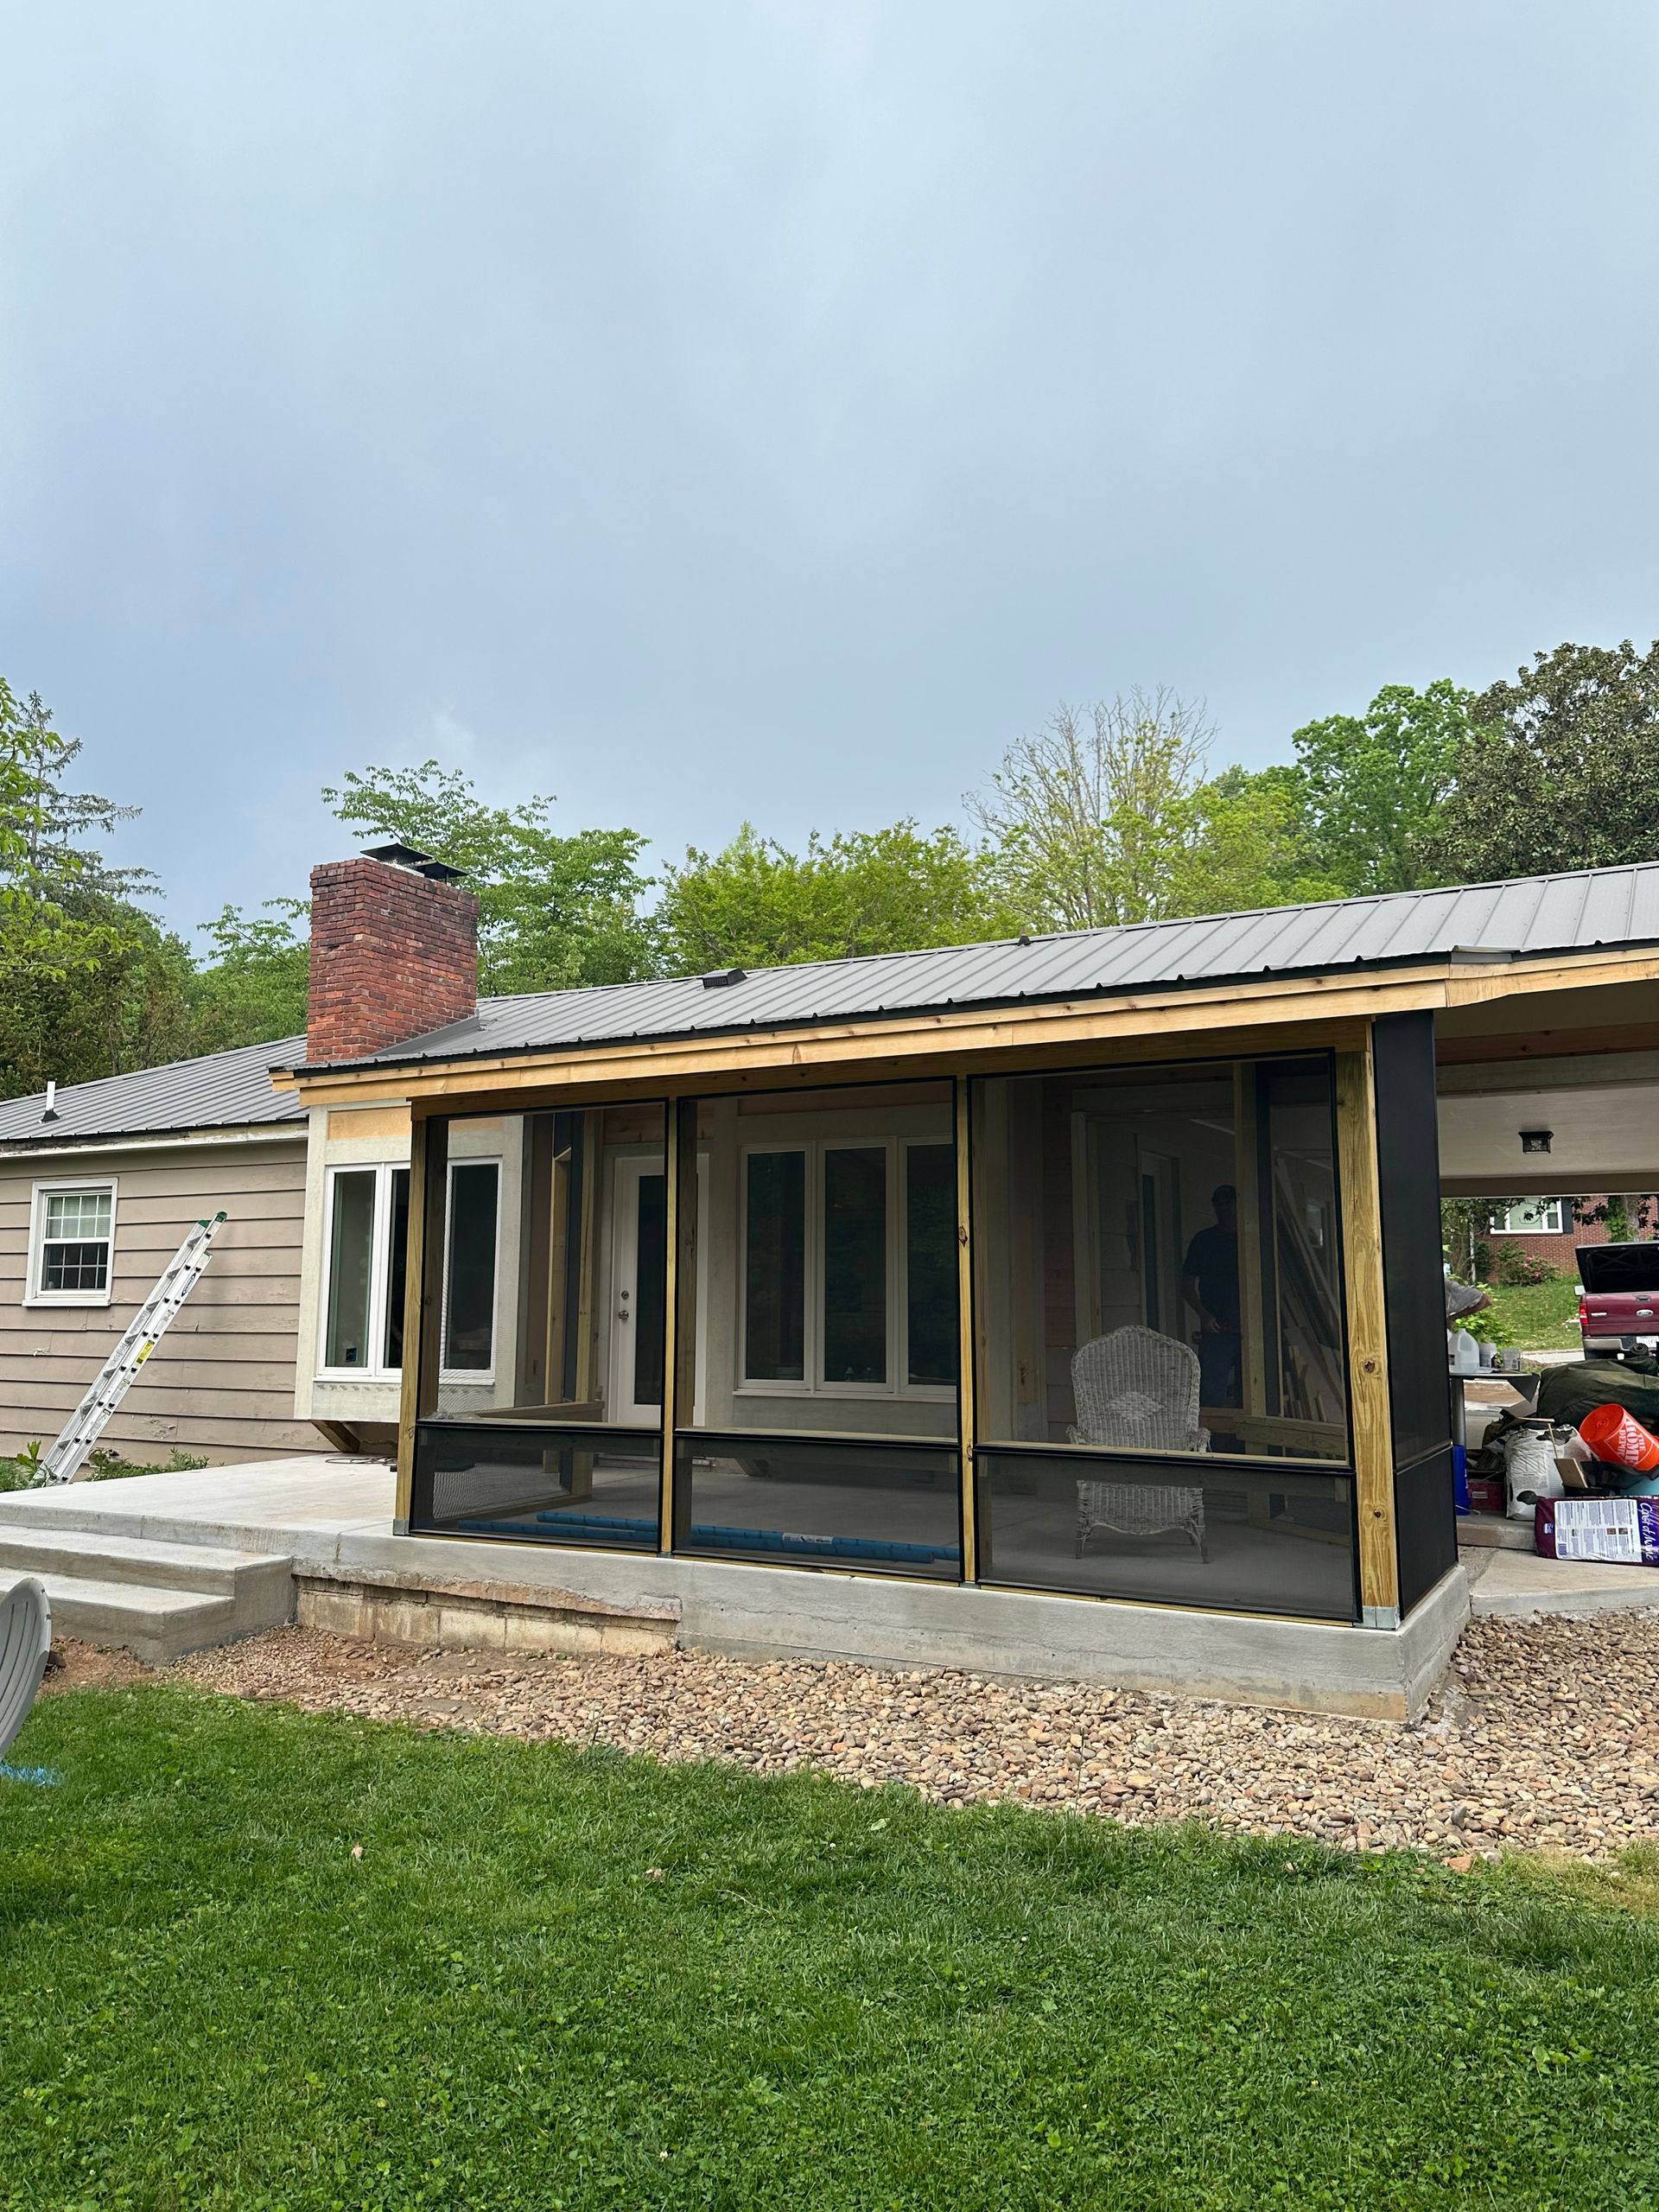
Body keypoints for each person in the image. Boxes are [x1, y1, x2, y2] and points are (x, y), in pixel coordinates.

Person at [1181, 1185, 1242, 1409]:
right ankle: (1213, 1442)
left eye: (1229, 1203)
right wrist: (1204, 1316)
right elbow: (1186, 1285)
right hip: (1216, 1330)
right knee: (1211, 1394)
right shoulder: (1204, 1241)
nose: (1225, 1209)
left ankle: (1242, 1445)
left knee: (1252, 1397)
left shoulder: (1250, 1240)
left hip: (1251, 1331)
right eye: (1220, 1204)